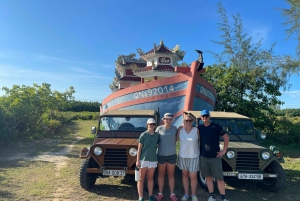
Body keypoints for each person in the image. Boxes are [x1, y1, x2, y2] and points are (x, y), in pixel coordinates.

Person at [198, 110, 230, 201]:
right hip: (204, 156)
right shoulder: (199, 128)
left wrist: (224, 151)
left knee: (219, 179)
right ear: (201, 118)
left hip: (215, 157)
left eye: (206, 116)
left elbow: (226, 137)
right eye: (203, 116)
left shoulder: (216, 126)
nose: (205, 118)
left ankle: (223, 198)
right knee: (208, 177)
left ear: (209, 116)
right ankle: (212, 196)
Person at [177, 113, 200, 201]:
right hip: (183, 156)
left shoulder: (196, 130)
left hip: (194, 156)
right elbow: (176, 140)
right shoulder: (180, 130)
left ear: (192, 121)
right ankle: (186, 194)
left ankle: (193, 195)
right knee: (185, 175)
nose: (188, 122)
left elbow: (201, 140)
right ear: (184, 121)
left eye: (190, 120)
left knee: (193, 176)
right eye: (186, 120)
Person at [155, 113, 178, 201]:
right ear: (163, 120)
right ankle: (160, 193)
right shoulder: (159, 128)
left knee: (171, 175)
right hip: (161, 155)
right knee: (161, 174)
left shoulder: (175, 129)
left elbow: (178, 138)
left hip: (172, 155)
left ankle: (172, 193)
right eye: (166, 119)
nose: (168, 120)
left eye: (170, 119)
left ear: (172, 120)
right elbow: (155, 140)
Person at [136, 118, 160, 201]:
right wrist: (137, 160)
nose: (152, 126)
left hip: (153, 159)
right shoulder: (143, 135)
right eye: (150, 124)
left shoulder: (157, 135)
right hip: (143, 160)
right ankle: (141, 197)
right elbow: (139, 149)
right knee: (141, 178)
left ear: (155, 126)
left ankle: (150, 195)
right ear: (147, 125)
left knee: (150, 178)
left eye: (153, 124)